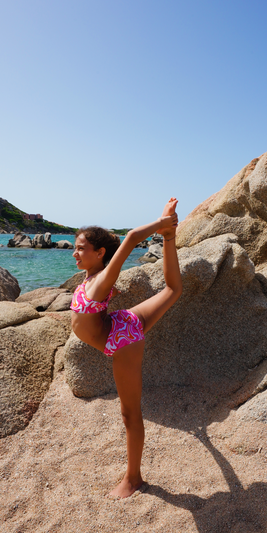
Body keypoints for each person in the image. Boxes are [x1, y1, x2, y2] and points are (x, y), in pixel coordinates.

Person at [70, 198, 182, 499]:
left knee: (129, 413)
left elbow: (131, 237)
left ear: (100, 253)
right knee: (172, 290)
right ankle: (170, 239)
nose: (74, 253)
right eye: (75, 247)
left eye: (81, 248)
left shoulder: (103, 278)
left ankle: (133, 479)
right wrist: (166, 231)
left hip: (121, 343)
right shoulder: (92, 277)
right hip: (122, 323)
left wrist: (161, 223)